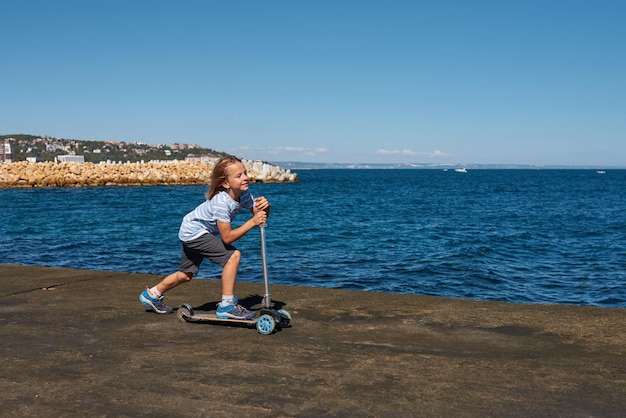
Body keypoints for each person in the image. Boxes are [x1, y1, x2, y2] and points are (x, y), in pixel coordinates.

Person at [139, 156, 270, 319]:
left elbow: (260, 216)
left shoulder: (243, 194)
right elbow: (227, 238)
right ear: (226, 183)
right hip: (194, 233)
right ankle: (226, 305)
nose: (245, 178)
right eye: (239, 176)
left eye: (245, 173)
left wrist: (265, 207)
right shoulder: (222, 203)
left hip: (190, 231)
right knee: (233, 256)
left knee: (186, 275)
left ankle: (152, 294)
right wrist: (252, 222)